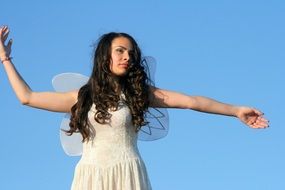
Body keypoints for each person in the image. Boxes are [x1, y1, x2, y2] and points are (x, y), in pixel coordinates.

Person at [0, 25, 269, 190]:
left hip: (128, 174)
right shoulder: (80, 97)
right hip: (90, 177)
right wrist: (4, 58)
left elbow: (192, 101)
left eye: (130, 53)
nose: (127, 56)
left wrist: (235, 110)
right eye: (120, 51)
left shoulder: (139, 94)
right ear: (105, 55)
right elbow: (27, 97)